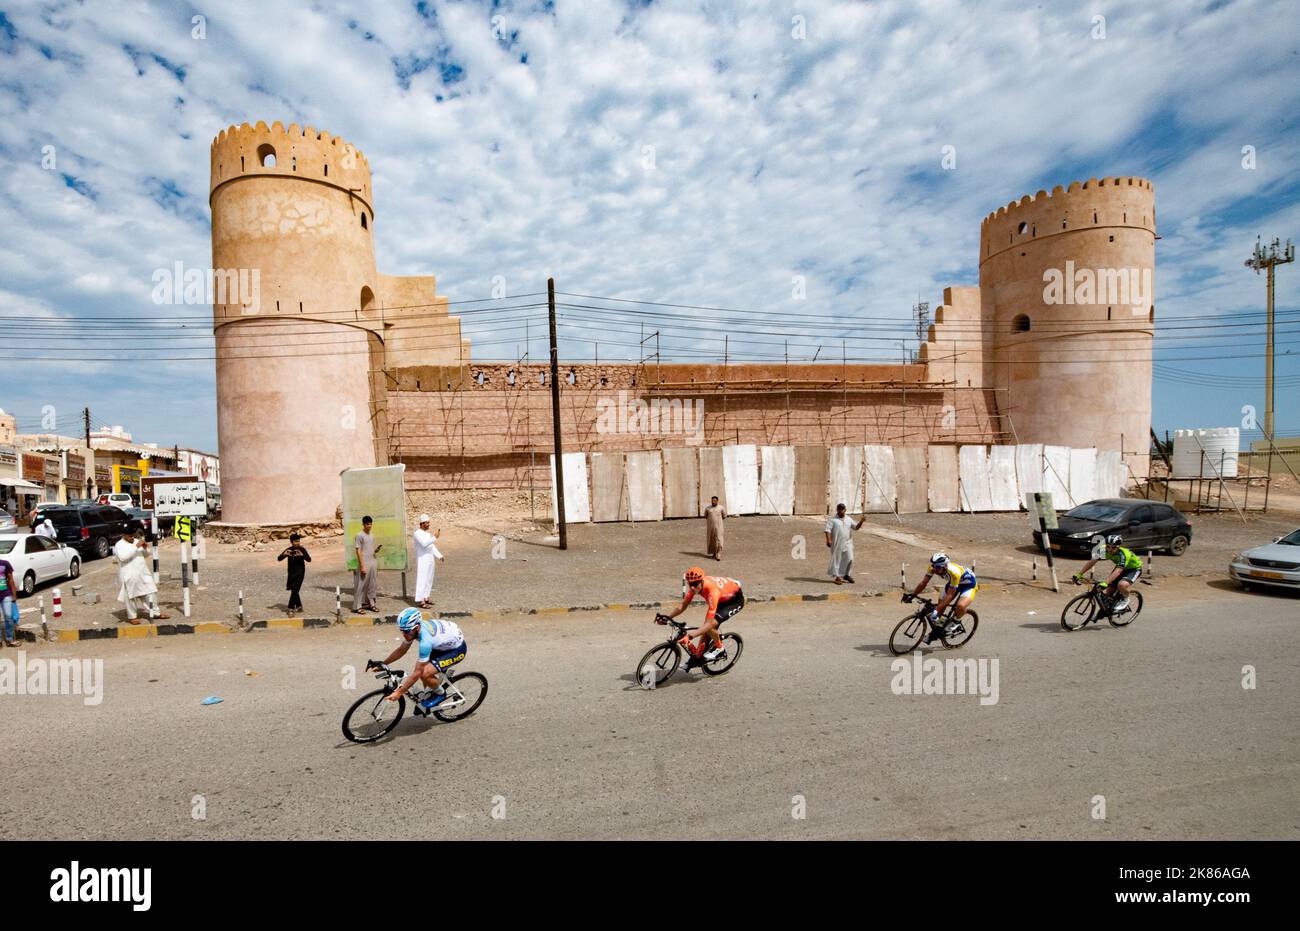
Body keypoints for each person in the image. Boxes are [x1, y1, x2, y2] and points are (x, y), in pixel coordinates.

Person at [371, 607, 467, 711]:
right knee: (424, 671)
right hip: (442, 644)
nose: (404, 634)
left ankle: (440, 694)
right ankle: (429, 693)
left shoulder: (425, 641)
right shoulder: (413, 631)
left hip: (456, 650)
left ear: (417, 627)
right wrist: (384, 663)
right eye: (402, 630)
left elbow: (417, 673)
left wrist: (399, 692)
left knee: (424, 673)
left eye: (406, 631)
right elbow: (401, 650)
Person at [661, 566, 744, 664]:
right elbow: (683, 606)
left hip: (733, 601)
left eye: (695, 584)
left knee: (709, 626)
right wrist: (668, 617)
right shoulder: (695, 587)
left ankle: (720, 649)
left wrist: (691, 636)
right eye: (690, 584)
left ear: (702, 582)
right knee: (705, 630)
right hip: (721, 598)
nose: (692, 587)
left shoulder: (712, 592)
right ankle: (697, 658)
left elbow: (708, 625)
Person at [904, 552, 977, 643]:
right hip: (953, 584)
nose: (935, 569)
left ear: (945, 566)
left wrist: (936, 610)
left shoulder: (954, 573)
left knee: (960, 606)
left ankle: (956, 621)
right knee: (940, 608)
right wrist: (913, 595)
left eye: (938, 567)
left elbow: (950, 595)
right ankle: (935, 633)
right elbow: (923, 583)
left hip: (968, 585)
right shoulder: (933, 568)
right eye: (933, 566)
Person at [1074, 534, 1142, 613]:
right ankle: (1106, 612)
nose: (1110, 549)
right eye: (1108, 546)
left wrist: (1106, 582)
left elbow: (1118, 571)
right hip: (1120, 568)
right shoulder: (1103, 550)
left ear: (1119, 547)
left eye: (1114, 547)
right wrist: (1080, 574)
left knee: (1122, 585)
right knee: (1109, 592)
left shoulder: (1123, 554)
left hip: (1133, 569)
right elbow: (1092, 561)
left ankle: (1125, 599)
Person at [113, 529, 168, 624]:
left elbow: (146, 554)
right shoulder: (119, 545)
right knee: (130, 597)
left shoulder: (136, 541)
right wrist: (136, 546)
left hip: (142, 573)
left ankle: (156, 613)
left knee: (151, 592)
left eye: (133, 535)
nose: (132, 538)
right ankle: (132, 617)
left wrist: (145, 548)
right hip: (128, 575)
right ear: (124, 535)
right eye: (130, 536)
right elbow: (123, 557)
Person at [824, 502, 865, 584]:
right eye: (839, 509)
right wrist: (828, 540)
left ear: (845, 510)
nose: (841, 510)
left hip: (848, 542)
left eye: (842, 509)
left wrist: (861, 521)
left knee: (850, 558)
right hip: (837, 542)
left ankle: (846, 574)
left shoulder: (849, 519)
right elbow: (827, 530)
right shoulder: (833, 520)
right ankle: (837, 577)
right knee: (837, 560)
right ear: (837, 510)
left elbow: (856, 527)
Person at [412, 514, 444, 609]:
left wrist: (439, 555)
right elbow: (424, 544)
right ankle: (420, 600)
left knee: (429, 579)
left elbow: (431, 546)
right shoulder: (417, 533)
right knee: (422, 579)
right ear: (421, 523)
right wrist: (434, 538)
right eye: (427, 523)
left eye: (429, 522)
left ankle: (426, 597)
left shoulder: (427, 534)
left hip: (430, 559)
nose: (428, 524)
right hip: (422, 560)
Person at [277, 532, 311, 616]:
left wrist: (302, 555)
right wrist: (284, 554)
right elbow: (279, 558)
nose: (298, 543)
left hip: (300, 573)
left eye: (298, 541)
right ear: (291, 542)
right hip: (291, 574)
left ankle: (290, 608)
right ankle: (299, 606)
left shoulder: (302, 549)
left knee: (295, 590)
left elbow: (309, 559)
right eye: (295, 541)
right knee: (294, 590)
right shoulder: (288, 549)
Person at [352, 515, 381, 613]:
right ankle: (357, 606)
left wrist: (376, 550)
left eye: (370, 524)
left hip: (372, 561)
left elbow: (370, 549)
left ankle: (371, 604)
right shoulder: (359, 535)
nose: (369, 526)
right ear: (363, 524)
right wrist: (362, 566)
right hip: (364, 563)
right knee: (361, 584)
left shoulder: (372, 535)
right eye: (367, 524)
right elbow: (358, 551)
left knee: (372, 584)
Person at [0, 555, 18, 647]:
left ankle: (9, 639)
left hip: (5, 594)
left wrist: (14, 594)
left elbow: (11, 579)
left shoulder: (5, 564)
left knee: (8, 616)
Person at [704, 495, 726, 561]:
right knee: (712, 539)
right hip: (711, 527)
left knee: (719, 539)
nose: (713, 502)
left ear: (717, 501)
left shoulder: (721, 508)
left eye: (715, 500)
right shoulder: (708, 508)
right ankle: (714, 553)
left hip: (719, 526)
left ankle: (718, 553)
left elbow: (724, 516)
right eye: (712, 500)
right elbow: (705, 516)